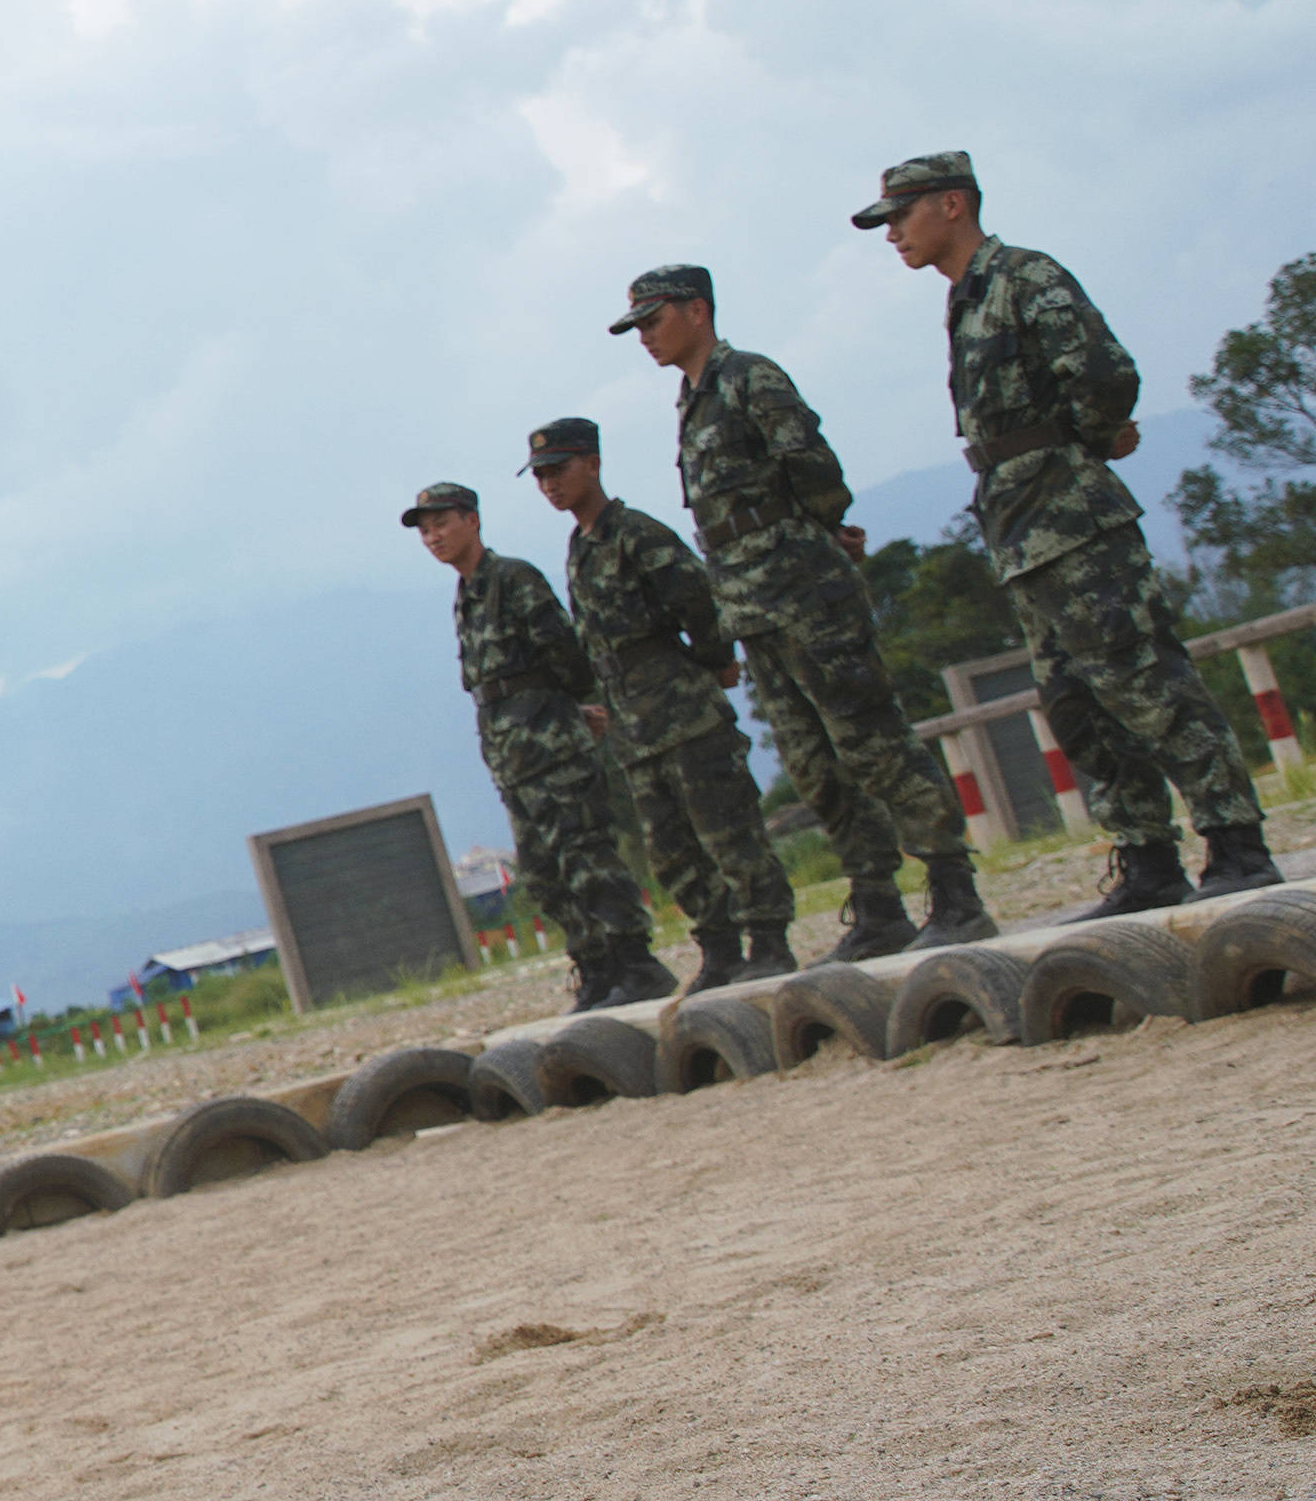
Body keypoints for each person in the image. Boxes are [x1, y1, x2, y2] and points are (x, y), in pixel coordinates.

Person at [860, 154, 1280, 915]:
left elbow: (1105, 372)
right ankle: (1148, 857)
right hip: (1021, 530)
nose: (892, 234)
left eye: (901, 214)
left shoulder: (1025, 276)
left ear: (952, 204)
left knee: (1142, 676)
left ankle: (1236, 839)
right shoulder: (965, 301)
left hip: (1073, 519)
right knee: (1076, 701)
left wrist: (1078, 445)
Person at [615, 264, 993, 955]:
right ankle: (877, 902)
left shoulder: (750, 378)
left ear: (697, 311)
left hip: (805, 595)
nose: (643, 336)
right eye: (636, 325)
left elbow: (816, 473)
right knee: (814, 762)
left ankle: (953, 887)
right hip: (751, 607)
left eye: (653, 319)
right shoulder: (691, 400)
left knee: (871, 740)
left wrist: (815, 537)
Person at [529, 417, 799, 988]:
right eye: (541, 476)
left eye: (560, 470)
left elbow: (697, 600)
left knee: (730, 832)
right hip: (635, 725)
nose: (549, 484)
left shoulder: (635, 534)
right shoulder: (581, 546)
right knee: (671, 850)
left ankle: (769, 938)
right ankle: (720, 947)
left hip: (683, 711)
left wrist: (715, 661)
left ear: (593, 464)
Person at [407, 480, 669, 1010]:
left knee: (586, 856)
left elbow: (564, 653)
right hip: (513, 755)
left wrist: (568, 710)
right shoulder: (468, 594)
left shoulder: (512, 578)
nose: (432, 536)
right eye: (425, 530)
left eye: (441, 523)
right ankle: (595, 966)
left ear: (472, 520)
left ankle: (637, 964)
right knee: (545, 874)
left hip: (551, 744)